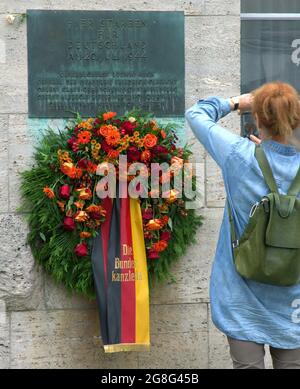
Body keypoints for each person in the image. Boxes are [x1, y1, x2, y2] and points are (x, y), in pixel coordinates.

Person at [185, 81, 300, 369]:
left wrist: (237, 102)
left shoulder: (238, 156)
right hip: (292, 306)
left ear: (258, 118)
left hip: (241, 300)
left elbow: (196, 114)